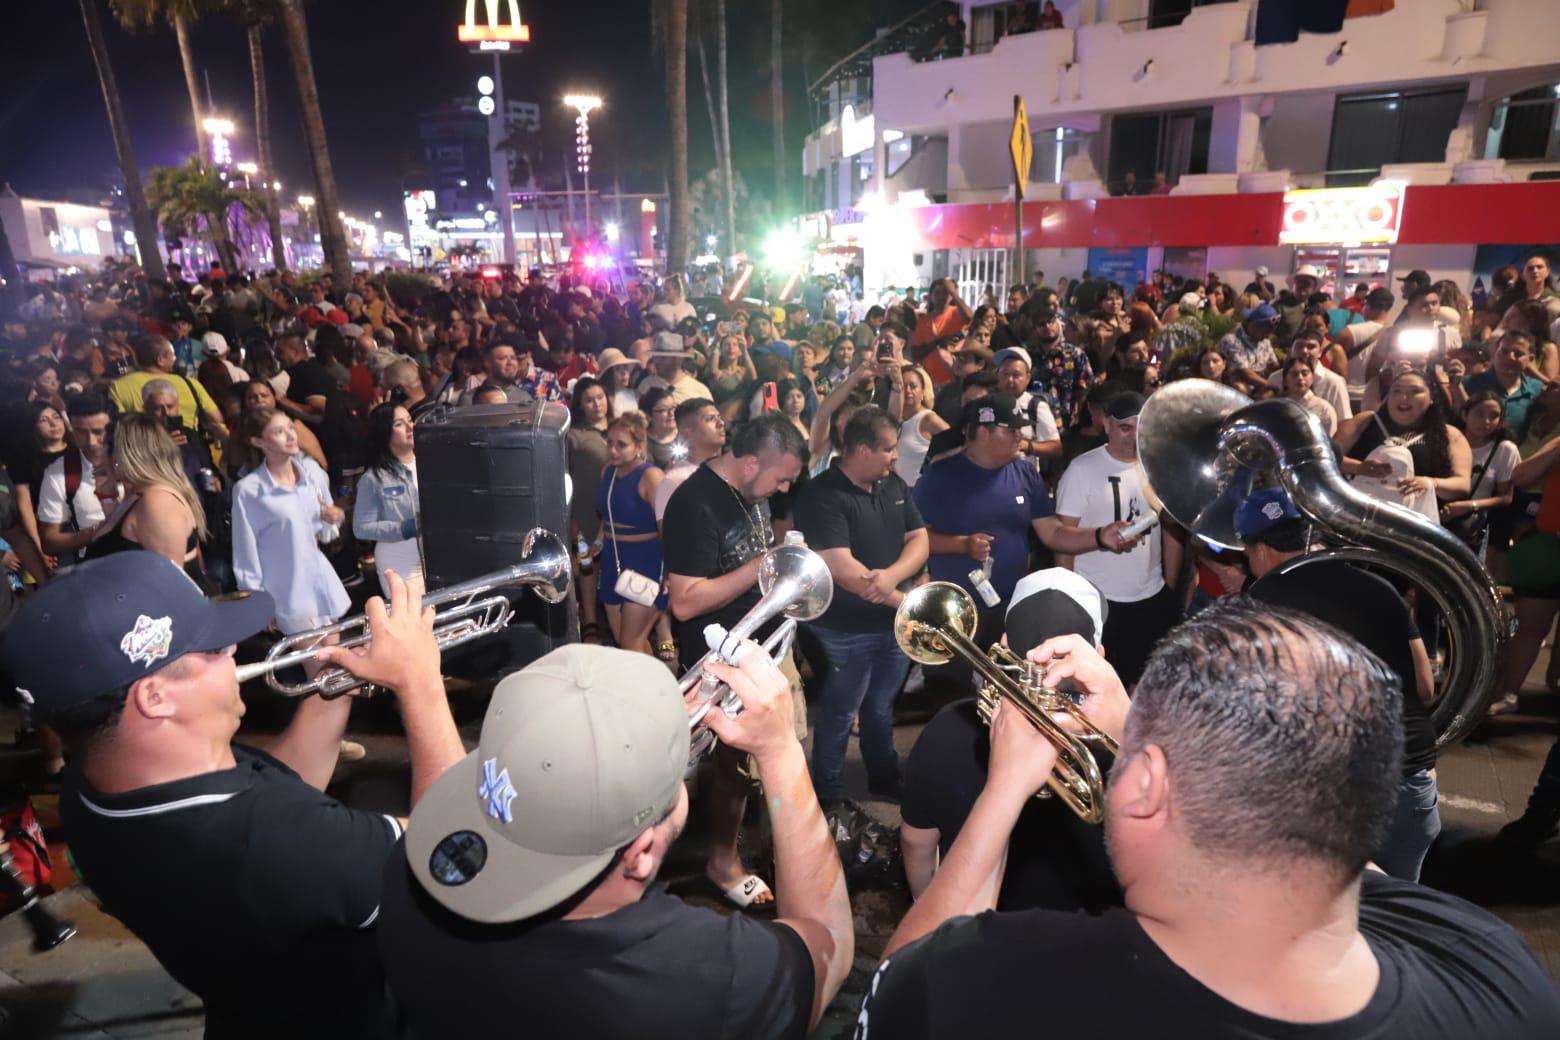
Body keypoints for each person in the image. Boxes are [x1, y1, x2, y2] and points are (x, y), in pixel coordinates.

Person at [857, 599, 1560, 1037]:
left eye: (1136, 757)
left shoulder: (997, 980)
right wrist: (1140, 725)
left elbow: (891, 990)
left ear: (1147, 788)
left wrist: (1004, 790)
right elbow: (1334, 844)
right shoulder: (1493, 965)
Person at [2, 555, 464, 1039]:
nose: (235, 649)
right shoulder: (273, 841)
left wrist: (335, 685)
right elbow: (456, 854)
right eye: (214, 649)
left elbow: (279, 787)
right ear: (155, 697)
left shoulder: (94, 784)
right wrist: (421, 683)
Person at [375, 640, 852, 1038]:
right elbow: (829, 943)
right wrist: (780, 751)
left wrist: (644, 728)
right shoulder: (706, 975)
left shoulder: (408, 871)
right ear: (641, 855)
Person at [1238, 488, 1439, 880]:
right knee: (1396, 924)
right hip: (1408, 784)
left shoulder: (1262, 599)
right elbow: (1425, 687)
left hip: (1332, 794)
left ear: (1260, 549)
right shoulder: (1382, 588)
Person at [900, 568, 1118, 911]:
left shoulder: (946, 728)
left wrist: (925, 908)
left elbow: (916, 842)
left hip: (973, 924)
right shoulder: (1126, 752)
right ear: (1099, 655)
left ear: (1004, 643)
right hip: (1090, 937)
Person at [663, 414, 807, 907]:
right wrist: (762, 568)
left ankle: (778, 850)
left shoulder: (751, 493)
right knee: (732, 768)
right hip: (719, 661)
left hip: (760, 648)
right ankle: (722, 861)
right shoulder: (693, 504)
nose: (784, 489)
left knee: (770, 759)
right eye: (781, 478)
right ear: (749, 464)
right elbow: (683, 600)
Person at [914, 395, 1134, 667]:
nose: (1021, 436)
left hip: (1009, 606)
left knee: (1005, 689)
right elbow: (915, 539)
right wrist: (962, 545)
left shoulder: (1025, 474)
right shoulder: (939, 477)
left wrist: (1100, 536)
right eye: (1012, 430)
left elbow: (1052, 533)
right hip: (953, 609)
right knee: (951, 692)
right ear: (983, 432)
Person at [793, 406, 928, 804]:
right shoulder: (821, 495)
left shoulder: (894, 486)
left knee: (881, 709)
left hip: (891, 626)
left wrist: (890, 578)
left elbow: (919, 538)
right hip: (843, 631)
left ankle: (884, 778)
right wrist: (905, 600)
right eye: (888, 449)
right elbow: (841, 567)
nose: (895, 457)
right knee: (837, 715)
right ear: (863, 450)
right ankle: (829, 797)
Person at [1054, 391, 1182, 687]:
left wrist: (1169, 588)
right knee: (1096, 687)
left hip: (1150, 596)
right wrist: (1065, 597)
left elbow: (1171, 531)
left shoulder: (1158, 467)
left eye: (1141, 428)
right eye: (1125, 427)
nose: (1133, 436)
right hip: (1098, 598)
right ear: (1107, 425)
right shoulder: (1082, 470)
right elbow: (1062, 537)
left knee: (1144, 686)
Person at [231, 408, 350, 637]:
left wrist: (334, 516)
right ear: (258, 441)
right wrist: (256, 601)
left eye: (290, 428)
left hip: (320, 581)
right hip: (286, 590)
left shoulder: (311, 473)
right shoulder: (248, 490)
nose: (290, 435)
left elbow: (327, 533)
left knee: (335, 663)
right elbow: (245, 549)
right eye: (278, 431)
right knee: (318, 666)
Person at [82, 413, 207, 587]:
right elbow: (122, 539)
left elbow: (169, 585)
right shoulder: (139, 495)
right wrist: (107, 498)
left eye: (106, 446)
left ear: (121, 456)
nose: (100, 453)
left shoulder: (158, 503)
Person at [596, 412, 667, 658]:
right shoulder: (608, 472)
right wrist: (596, 543)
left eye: (622, 445)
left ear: (639, 447)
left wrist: (670, 571)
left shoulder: (652, 476)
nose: (613, 450)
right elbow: (607, 517)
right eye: (610, 443)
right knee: (626, 643)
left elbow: (667, 527)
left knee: (630, 643)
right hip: (613, 561)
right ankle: (658, 687)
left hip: (644, 563)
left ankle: (656, 693)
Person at [353, 403, 423, 600]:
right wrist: (404, 528)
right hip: (399, 561)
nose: (410, 427)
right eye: (400, 424)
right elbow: (361, 528)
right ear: (385, 432)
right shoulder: (373, 478)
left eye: (410, 420)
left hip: (435, 557)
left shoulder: (431, 462)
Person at [36, 392, 118, 562]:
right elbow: (49, 541)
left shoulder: (139, 462)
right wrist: (97, 531)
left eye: (98, 432)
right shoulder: (59, 473)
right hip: (95, 566)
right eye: (81, 432)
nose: (91, 442)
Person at [109, 334, 227, 436]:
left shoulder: (119, 386)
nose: (175, 359)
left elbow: (120, 426)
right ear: (161, 360)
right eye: (173, 355)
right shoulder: (191, 384)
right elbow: (217, 419)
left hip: (147, 451)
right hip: (189, 452)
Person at [1456, 329, 1545, 441]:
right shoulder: (1468, 384)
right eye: (1504, 351)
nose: (1510, 357)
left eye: (1518, 354)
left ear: (1530, 359)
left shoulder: (1537, 390)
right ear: (1495, 352)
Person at [993, 347, 1061, 463]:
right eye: (1005, 374)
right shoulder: (987, 404)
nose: (1010, 380)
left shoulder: (1035, 406)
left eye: (1016, 375)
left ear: (1028, 378)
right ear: (997, 375)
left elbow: (1056, 448)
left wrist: (1028, 446)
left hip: (1024, 476)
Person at [894, 364, 950, 486]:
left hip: (919, 490)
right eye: (903, 386)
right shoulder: (896, 418)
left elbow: (955, 444)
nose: (908, 391)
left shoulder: (929, 419)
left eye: (913, 386)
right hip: (897, 491)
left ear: (923, 391)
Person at [1215, 303, 1281, 392]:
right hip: (1235, 387)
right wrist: (1274, 387)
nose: (1267, 336)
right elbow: (1246, 375)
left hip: (1259, 386)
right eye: (1265, 331)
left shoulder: (1264, 341)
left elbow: (1274, 366)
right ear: (1252, 325)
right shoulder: (1231, 340)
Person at [1278, 354, 1339, 435]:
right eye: (1294, 374)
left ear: (1312, 378)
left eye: (1305, 373)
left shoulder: (1324, 409)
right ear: (1285, 381)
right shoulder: (1278, 408)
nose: (1300, 378)